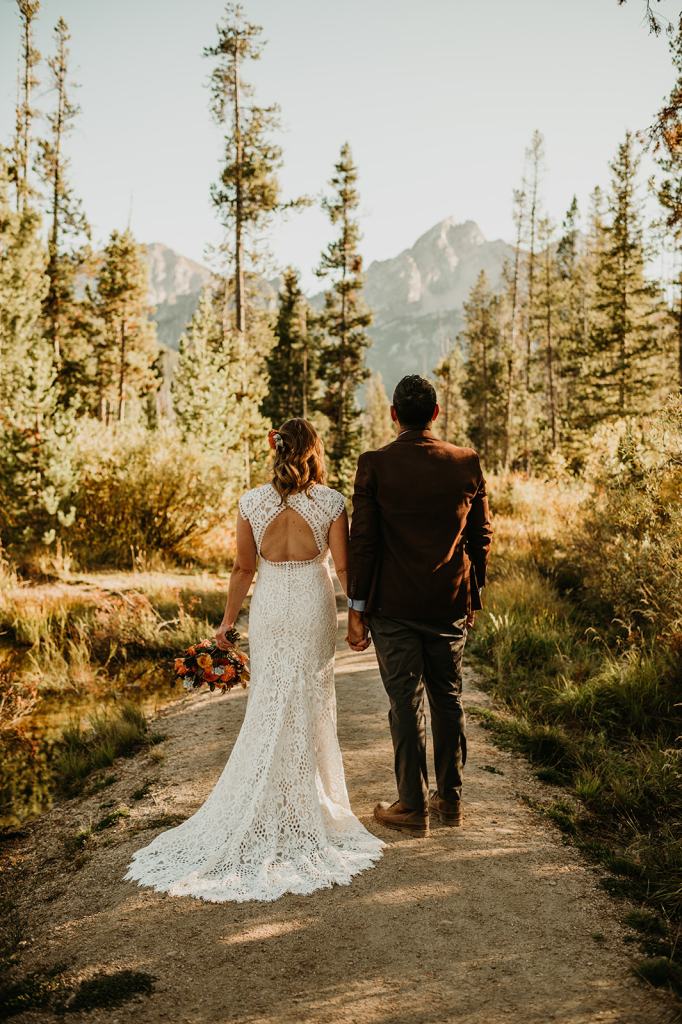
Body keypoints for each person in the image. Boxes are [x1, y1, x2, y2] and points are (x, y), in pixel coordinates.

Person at [125, 418, 383, 902]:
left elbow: (244, 568)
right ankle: (303, 801)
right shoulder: (330, 503)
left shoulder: (251, 502)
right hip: (310, 603)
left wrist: (225, 624)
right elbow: (344, 567)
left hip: (269, 609)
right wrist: (357, 617)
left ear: (277, 449)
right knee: (309, 698)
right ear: (314, 451)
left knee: (269, 700)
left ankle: (275, 797)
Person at [347, 374, 493, 838]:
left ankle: (412, 806)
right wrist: (473, 594)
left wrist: (357, 606)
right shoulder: (465, 463)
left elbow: (364, 542)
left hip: (392, 606)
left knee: (405, 703)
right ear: (435, 413)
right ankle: (450, 801)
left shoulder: (373, 465)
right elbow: (480, 539)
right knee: (447, 698)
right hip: (448, 602)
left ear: (393, 415)